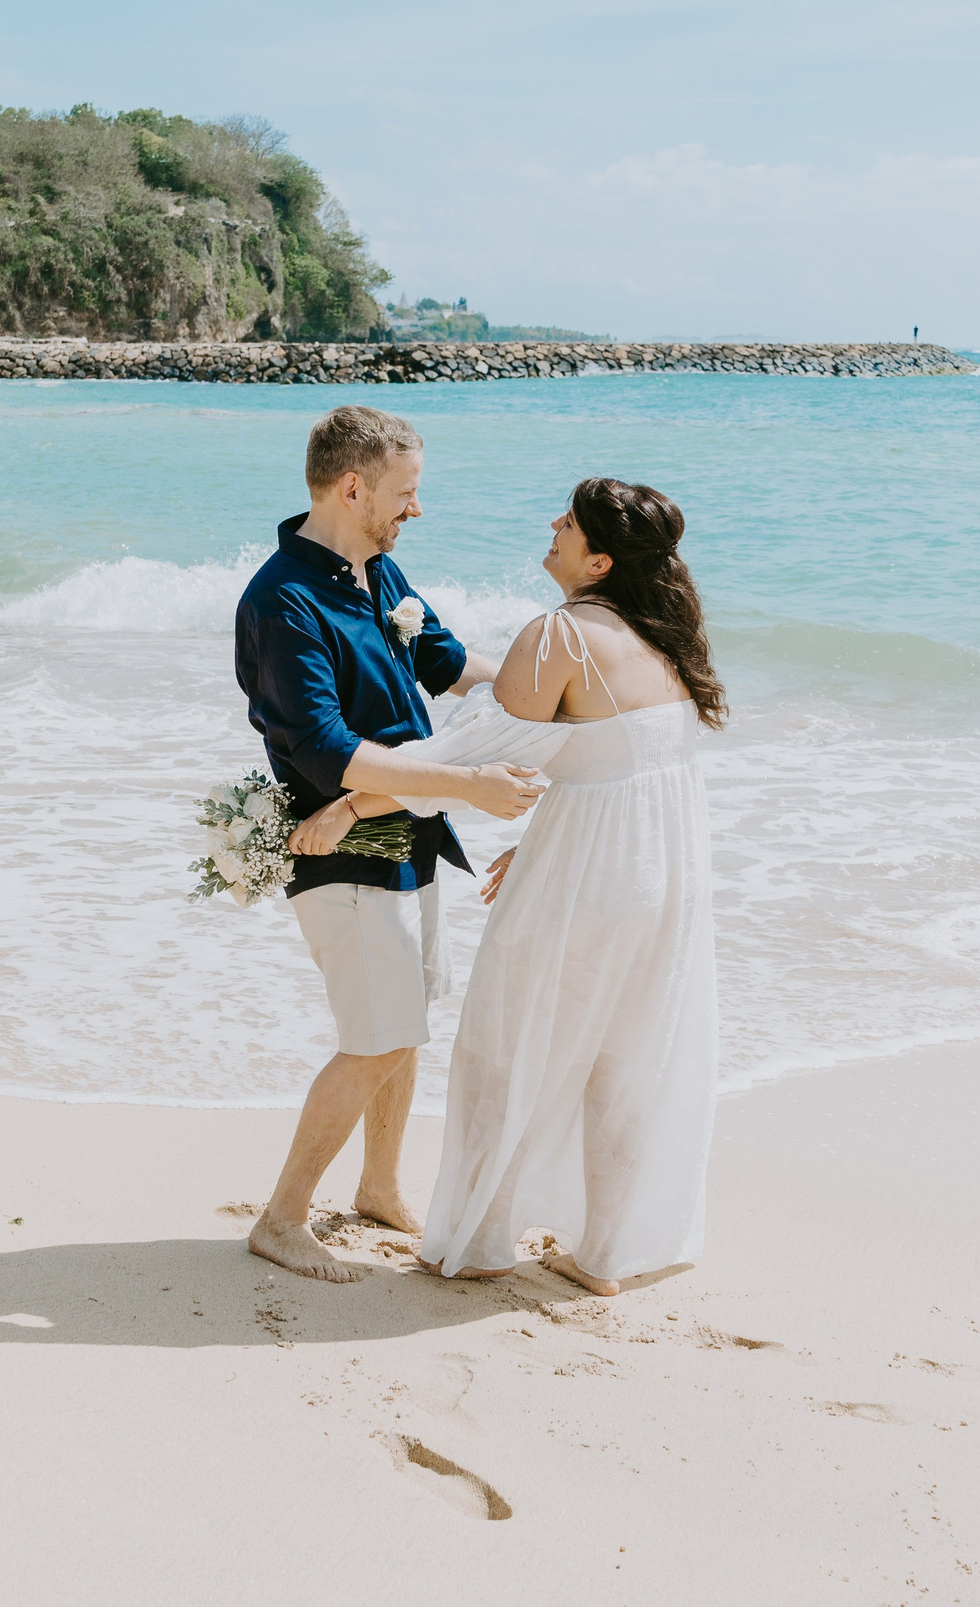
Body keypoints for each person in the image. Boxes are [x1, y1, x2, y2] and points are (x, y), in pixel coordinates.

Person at [333, 478, 724, 1296]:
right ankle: (604, 1255)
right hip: (666, 874)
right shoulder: (668, 637)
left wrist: (348, 805)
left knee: (505, 1047)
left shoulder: (560, 635)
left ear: (601, 559)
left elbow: (471, 757)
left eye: (570, 523)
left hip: (584, 875)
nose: (553, 524)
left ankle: (478, 1241)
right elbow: (627, 769)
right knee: (623, 1058)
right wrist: (551, 837)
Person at [233, 406, 543, 1282]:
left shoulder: (378, 567)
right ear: (353, 486)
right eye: (406, 493)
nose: (417, 509)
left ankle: (377, 1186)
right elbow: (327, 753)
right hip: (338, 846)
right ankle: (282, 1217)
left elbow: (449, 662)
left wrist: (567, 675)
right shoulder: (281, 602)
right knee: (375, 1037)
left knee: (404, 1029)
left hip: (413, 839)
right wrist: (470, 784)